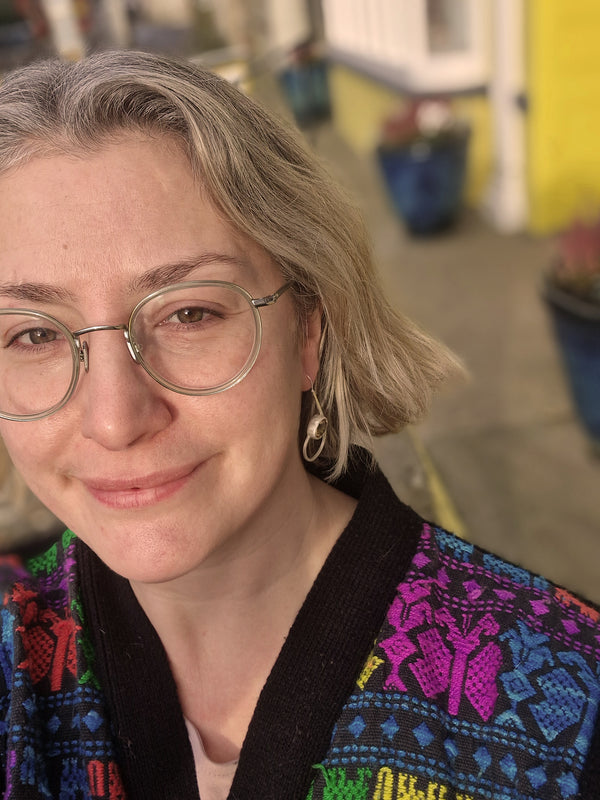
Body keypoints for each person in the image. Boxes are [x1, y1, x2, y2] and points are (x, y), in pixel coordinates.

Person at [0, 50, 596, 800]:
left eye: (190, 313)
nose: (116, 419)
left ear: (307, 333)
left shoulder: (568, 706)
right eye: (34, 335)